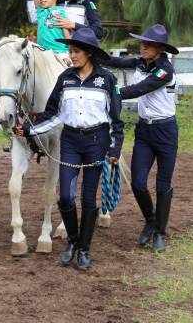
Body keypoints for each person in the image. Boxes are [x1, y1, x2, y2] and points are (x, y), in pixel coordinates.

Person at [14, 28, 123, 270]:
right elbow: (53, 114)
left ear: (89, 53)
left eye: (76, 52)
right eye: (70, 51)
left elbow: (115, 119)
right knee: (65, 197)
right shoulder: (65, 78)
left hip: (97, 142)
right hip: (71, 141)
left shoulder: (107, 80)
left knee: (88, 199)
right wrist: (29, 129)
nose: (71, 56)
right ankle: (73, 241)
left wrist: (115, 150)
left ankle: (84, 248)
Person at [103, 24, 179, 252]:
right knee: (137, 183)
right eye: (143, 43)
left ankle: (160, 233)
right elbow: (114, 61)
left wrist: (111, 91)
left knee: (163, 184)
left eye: (149, 44)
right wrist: (91, 53)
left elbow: (139, 89)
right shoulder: (139, 62)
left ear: (160, 49)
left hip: (165, 131)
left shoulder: (165, 71)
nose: (143, 47)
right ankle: (151, 220)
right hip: (144, 131)